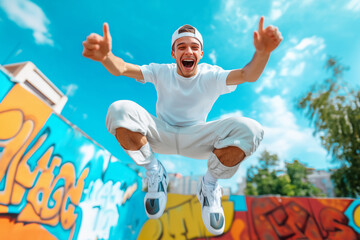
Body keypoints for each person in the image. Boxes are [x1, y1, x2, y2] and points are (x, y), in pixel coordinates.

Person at [82, 17, 282, 235]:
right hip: (161, 133)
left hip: (197, 139)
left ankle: (209, 186)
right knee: (119, 109)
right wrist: (106, 57)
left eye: (194, 47)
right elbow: (122, 68)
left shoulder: (211, 75)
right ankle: (154, 172)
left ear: (201, 54)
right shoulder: (161, 71)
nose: (188, 51)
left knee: (251, 129)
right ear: (173, 54)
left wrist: (263, 53)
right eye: (182, 47)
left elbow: (247, 75)